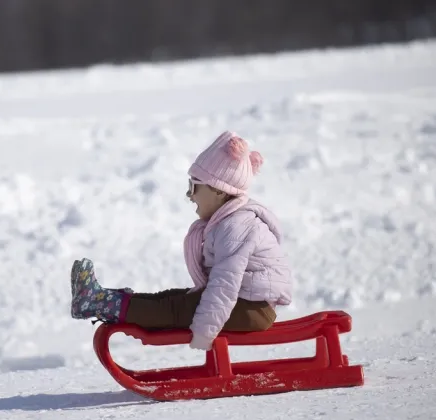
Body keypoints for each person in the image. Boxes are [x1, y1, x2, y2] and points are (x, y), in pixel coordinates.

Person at [70, 131, 293, 351]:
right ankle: (105, 299)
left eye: (194, 186)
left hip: (251, 309)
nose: (189, 195)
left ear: (218, 190)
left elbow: (224, 284)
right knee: (172, 298)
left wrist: (204, 333)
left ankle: (101, 303)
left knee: (174, 309)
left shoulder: (235, 226)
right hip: (247, 304)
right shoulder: (230, 222)